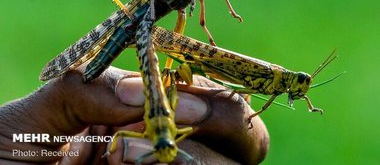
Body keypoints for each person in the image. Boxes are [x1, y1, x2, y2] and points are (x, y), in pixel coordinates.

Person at [0, 66, 269, 164]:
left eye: (167, 148)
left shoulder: (166, 136)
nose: (167, 149)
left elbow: (124, 138)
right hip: (151, 96)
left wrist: (107, 150)